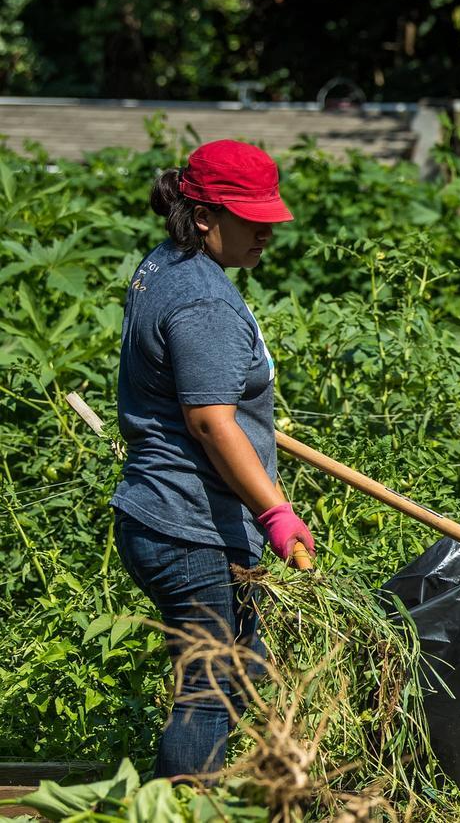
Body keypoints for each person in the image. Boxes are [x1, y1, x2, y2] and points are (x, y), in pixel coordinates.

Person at [112, 139, 315, 778]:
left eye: (270, 218)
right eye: (251, 220)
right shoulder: (203, 300)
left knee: (240, 670)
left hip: (170, 514)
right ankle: (177, 809)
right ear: (205, 217)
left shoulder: (166, 264)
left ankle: (219, 793)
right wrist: (276, 512)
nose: (266, 235)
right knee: (211, 688)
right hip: (187, 524)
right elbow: (207, 420)